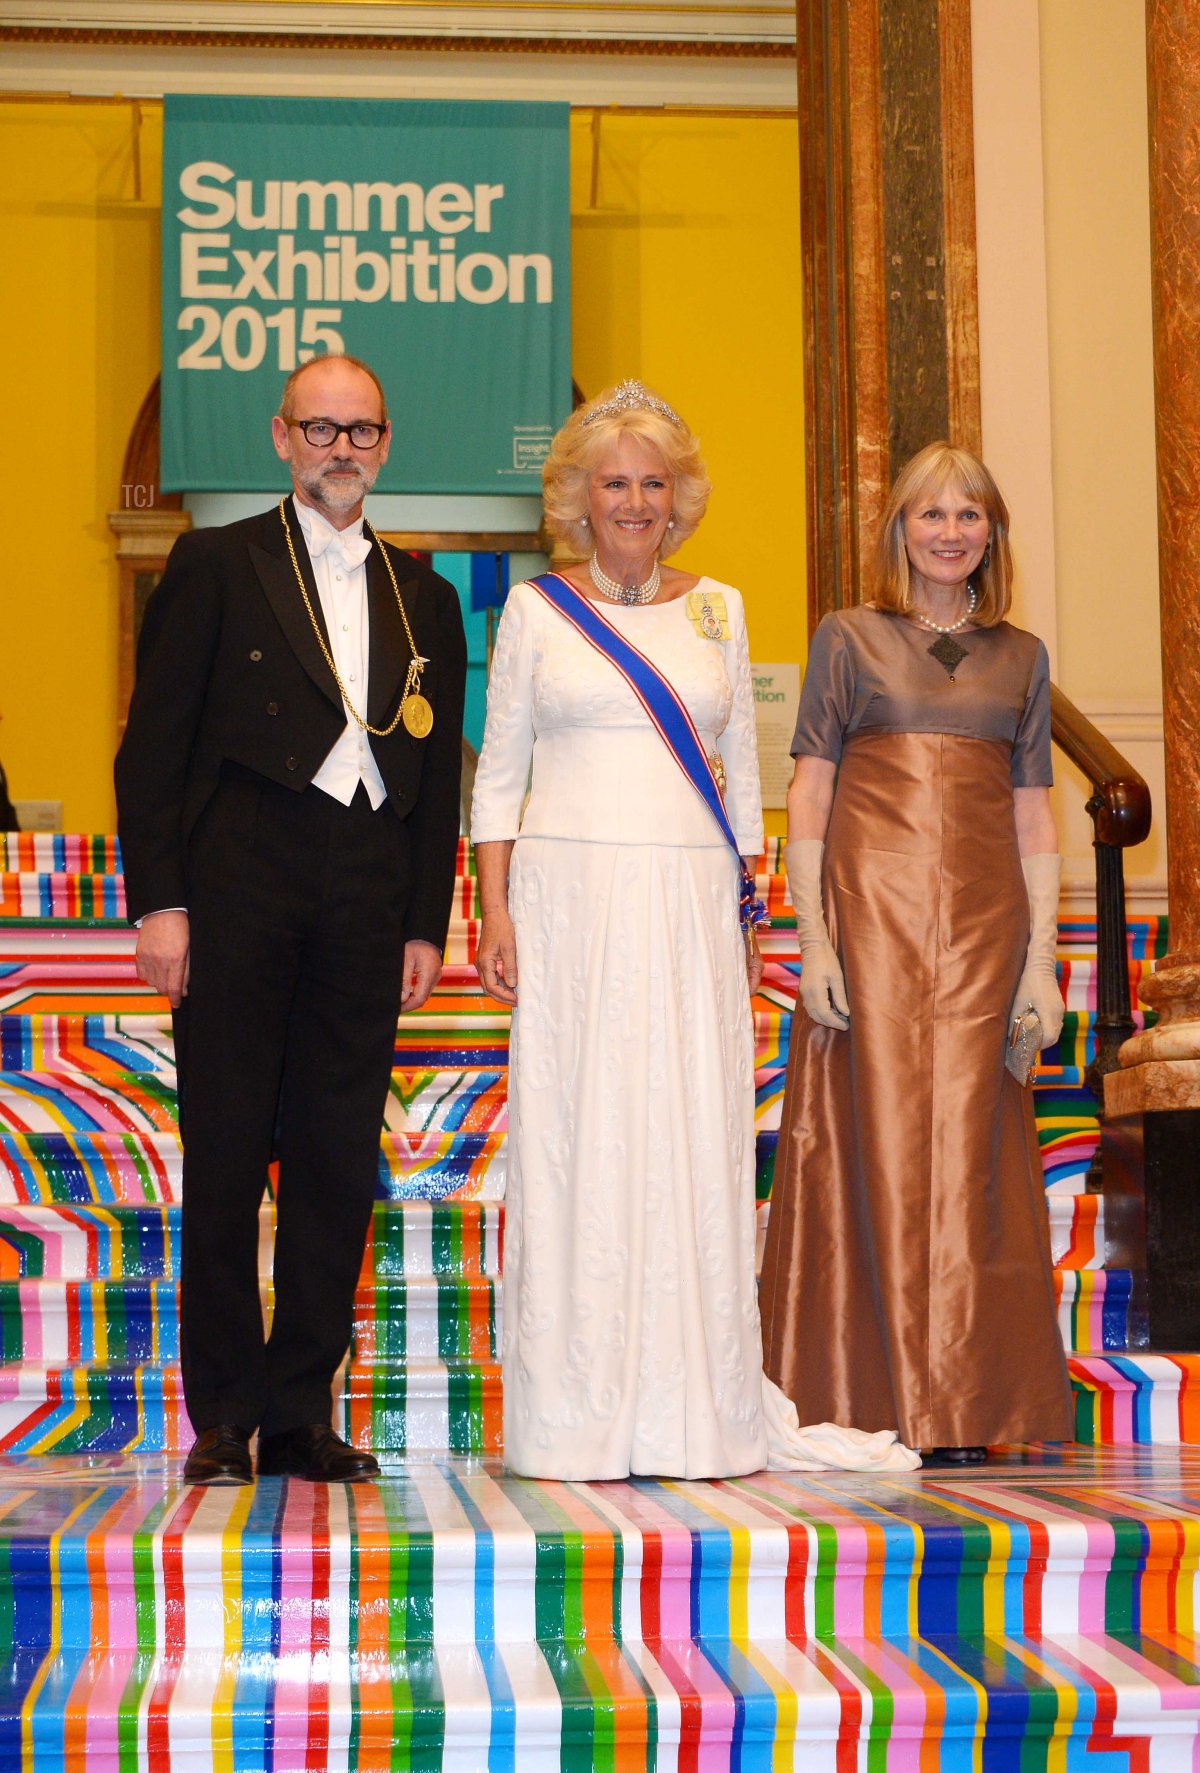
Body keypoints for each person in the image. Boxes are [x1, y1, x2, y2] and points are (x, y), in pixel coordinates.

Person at [471, 380, 918, 1480]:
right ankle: (574, 1413)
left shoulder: (718, 606)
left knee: (685, 1130)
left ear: (680, 498)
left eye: (652, 483)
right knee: (586, 1132)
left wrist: (750, 899)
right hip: (570, 897)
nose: (633, 502)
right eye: (612, 483)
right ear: (578, 498)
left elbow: (741, 770)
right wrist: (490, 904)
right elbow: (499, 772)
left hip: (686, 897)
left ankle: (689, 1410)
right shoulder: (536, 611)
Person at [115, 353, 466, 1485]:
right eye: (320, 428)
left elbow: (436, 785)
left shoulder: (430, 596)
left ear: (386, 442)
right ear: (281, 438)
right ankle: (222, 1409)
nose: (341, 448)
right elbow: (151, 747)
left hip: (366, 888)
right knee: (224, 1151)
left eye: (361, 430)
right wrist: (161, 901)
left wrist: (425, 921)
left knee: (330, 1162)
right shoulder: (215, 563)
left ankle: (300, 1409)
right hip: (237, 882)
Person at [759, 441, 1074, 1465]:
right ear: (900, 528)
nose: (950, 532)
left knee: (973, 1156)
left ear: (993, 534)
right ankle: (871, 1396)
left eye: (969, 515)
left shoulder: (1021, 656)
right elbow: (809, 791)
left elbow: (1034, 813)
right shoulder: (848, 637)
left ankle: (970, 1402)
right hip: (873, 922)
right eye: (931, 514)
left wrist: (1041, 964)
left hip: (988, 930)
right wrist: (814, 937)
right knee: (878, 1148)